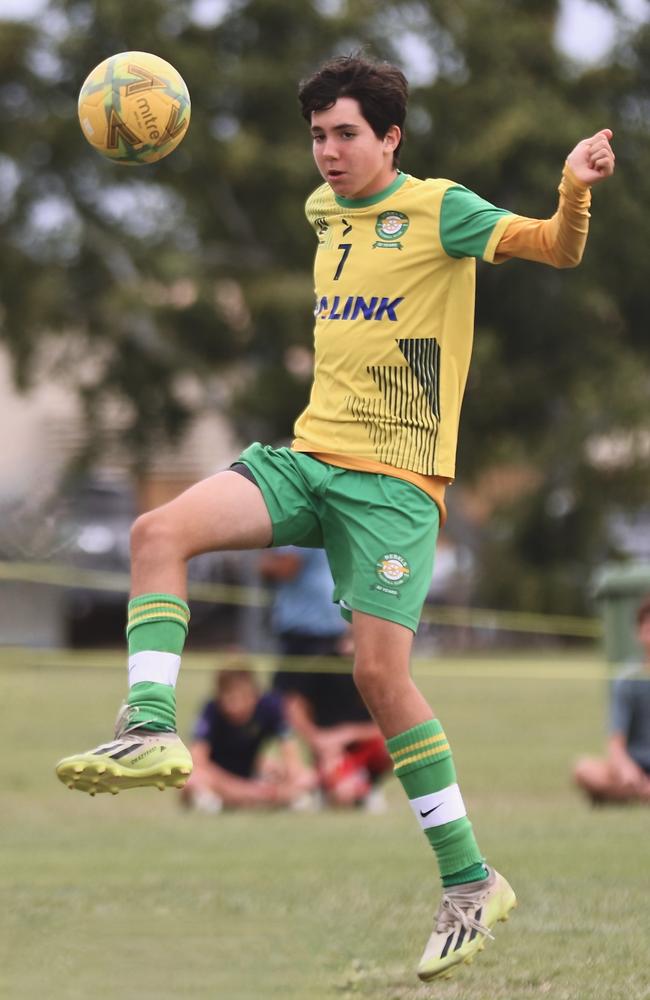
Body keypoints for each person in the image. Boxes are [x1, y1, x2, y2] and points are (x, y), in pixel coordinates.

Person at [56, 54, 615, 981]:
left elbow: (556, 246)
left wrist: (573, 187)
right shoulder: (323, 213)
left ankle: (471, 882)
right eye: (317, 135)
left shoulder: (443, 208)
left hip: (396, 486)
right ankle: (151, 725)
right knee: (157, 533)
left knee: (379, 679)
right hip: (310, 460)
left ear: (390, 136)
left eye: (345, 133)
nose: (328, 152)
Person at [260, 545, 392, 807]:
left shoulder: (300, 528)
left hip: (309, 631)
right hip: (312, 633)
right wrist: (318, 740)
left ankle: (353, 784)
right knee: (281, 710)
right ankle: (299, 776)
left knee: (280, 708)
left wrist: (261, 563)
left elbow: (287, 566)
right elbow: (291, 708)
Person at [181, 664, 315, 812]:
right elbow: (197, 761)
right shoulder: (210, 711)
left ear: (253, 695)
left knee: (306, 777)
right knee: (191, 779)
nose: (232, 706)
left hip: (252, 775)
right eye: (227, 699)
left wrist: (290, 778)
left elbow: (292, 758)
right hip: (219, 779)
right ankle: (233, 800)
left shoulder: (270, 706)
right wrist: (244, 789)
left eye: (239, 699)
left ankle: (250, 800)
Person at [574, 597, 650, 805]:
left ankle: (627, 796)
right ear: (638, 632)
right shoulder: (627, 679)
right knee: (584, 769)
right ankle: (637, 794)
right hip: (634, 770)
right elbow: (616, 744)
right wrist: (627, 770)